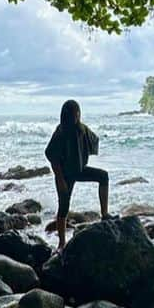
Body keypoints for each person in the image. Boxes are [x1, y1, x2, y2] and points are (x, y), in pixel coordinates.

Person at [44, 99, 109, 250]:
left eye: (77, 112)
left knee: (103, 176)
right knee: (64, 206)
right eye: (75, 113)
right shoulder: (60, 132)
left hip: (79, 170)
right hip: (64, 174)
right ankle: (61, 243)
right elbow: (52, 157)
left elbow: (94, 139)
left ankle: (105, 214)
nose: (77, 115)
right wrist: (60, 180)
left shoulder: (81, 129)